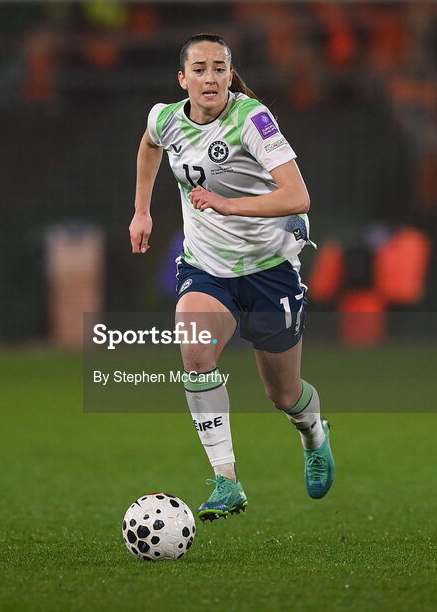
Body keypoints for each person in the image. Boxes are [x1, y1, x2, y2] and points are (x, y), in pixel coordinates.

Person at [128, 33, 335, 521]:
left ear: (229, 74)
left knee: (283, 395)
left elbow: (298, 197)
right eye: (199, 69)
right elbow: (148, 146)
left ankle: (314, 434)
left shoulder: (253, 120)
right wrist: (142, 211)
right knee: (195, 352)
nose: (210, 78)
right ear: (183, 80)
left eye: (219, 68)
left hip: (270, 272)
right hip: (207, 268)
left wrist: (226, 204)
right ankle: (226, 479)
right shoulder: (166, 118)